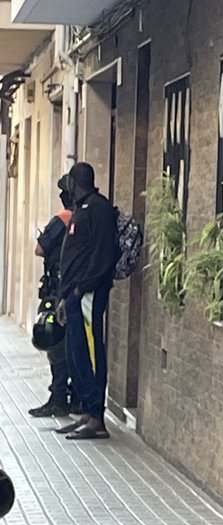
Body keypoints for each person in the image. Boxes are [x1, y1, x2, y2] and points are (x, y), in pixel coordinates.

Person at [55, 162, 119, 441]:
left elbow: (103, 253)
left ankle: (97, 417)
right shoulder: (81, 209)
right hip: (73, 295)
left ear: (75, 182)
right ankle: (86, 411)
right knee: (76, 352)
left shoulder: (99, 208)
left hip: (88, 294)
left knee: (91, 353)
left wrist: (82, 289)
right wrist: (64, 296)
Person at [28, 175, 75, 418]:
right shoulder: (86, 217)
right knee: (74, 345)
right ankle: (74, 396)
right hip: (79, 290)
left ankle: (58, 398)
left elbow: (40, 249)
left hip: (58, 290)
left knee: (55, 341)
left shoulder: (63, 219)